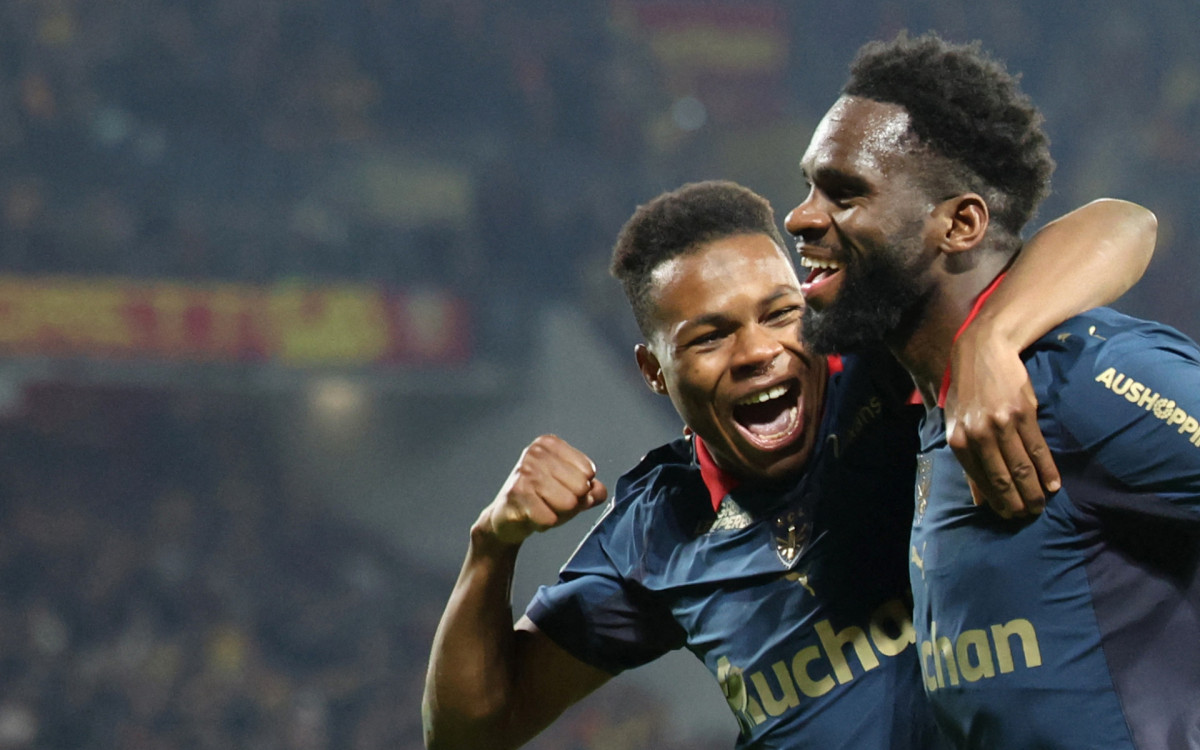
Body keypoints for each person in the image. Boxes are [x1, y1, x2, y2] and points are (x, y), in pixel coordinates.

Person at [422, 177, 1155, 748]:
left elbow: (1122, 226)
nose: (756, 353)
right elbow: (472, 730)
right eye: (709, 337)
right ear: (653, 370)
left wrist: (988, 340)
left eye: (778, 313)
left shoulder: (891, 374)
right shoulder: (657, 530)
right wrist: (493, 545)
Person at [785, 31, 1197, 748]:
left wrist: (993, 338)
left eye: (846, 193)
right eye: (809, 187)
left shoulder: (1077, 381)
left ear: (961, 224)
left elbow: (1130, 221)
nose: (800, 216)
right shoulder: (904, 405)